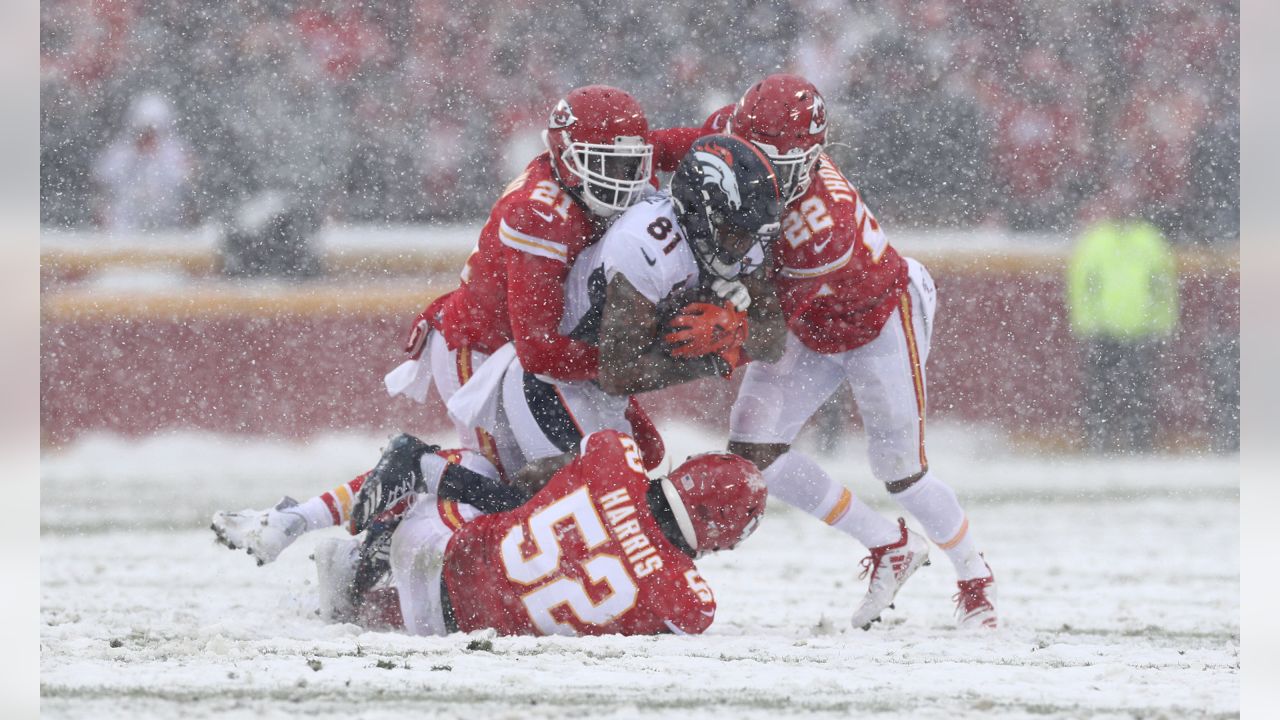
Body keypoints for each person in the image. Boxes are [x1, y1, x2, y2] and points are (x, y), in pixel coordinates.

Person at [713, 74, 997, 629]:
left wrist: (703, 343)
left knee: (901, 471)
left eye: (773, 161)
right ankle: (889, 544)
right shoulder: (734, 130)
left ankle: (974, 578)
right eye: (751, 154)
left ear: (811, 157)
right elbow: (685, 144)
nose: (757, 172)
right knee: (752, 451)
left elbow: (767, 329)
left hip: (878, 317)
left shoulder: (823, 228)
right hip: (815, 320)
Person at [386, 85, 707, 476]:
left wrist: (753, 142)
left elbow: (707, 142)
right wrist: (642, 355)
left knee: (644, 455)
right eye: (608, 165)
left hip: (556, 345)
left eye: (630, 164)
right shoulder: (539, 217)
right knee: (498, 480)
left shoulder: (611, 152)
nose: (623, 178)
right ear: (566, 158)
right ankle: (406, 475)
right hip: (485, 346)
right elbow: (540, 352)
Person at [214, 429, 768, 637]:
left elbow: (539, 481)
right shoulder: (689, 604)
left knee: (476, 467)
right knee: (500, 594)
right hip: (451, 626)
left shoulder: (612, 455)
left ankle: (310, 521)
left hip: (442, 551)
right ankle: (363, 590)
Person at [480, 133, 788, 471]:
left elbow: (773, 338)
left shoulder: (742, 238)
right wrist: (711, 358)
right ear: (700, 212)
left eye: (751, 234)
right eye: (735, 232)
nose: (745, 247)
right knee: (601, 495)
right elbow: (620, 371)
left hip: (599, 382)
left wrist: (739, 332)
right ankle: (435, 475)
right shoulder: (645, 248)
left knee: (641, 467)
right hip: (554, 382)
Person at [1067, 201, 1179, 454]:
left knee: (1140, 390)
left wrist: (1162, 321)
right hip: (1103, 329)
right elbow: (1081, 282)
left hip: (1141, 328)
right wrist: (1086, 321)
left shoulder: (1149, 239)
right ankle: (1098, 441)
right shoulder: (1097, 239)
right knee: (1100, 390)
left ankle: (1139, 442)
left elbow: (1162, 283)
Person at [91, 91, 195, 232]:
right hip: (126, 223)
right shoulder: (120, 152)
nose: (148, 136)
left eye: (153, 131)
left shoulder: (176, 153)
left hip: (168, 222)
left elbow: (184, 183)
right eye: (144, 131)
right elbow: (103, 179)